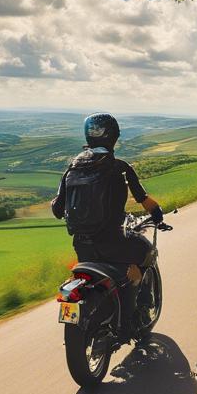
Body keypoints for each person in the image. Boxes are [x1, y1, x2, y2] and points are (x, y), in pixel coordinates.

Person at [51, 113, 164, 293]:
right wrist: (157, 214)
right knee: (147, 252)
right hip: (114, 242)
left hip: (82, 246)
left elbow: (57, 210)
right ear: (114, 136)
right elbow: (144, 200)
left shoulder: (72, 168)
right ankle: (134, 311)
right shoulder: (120, 168)